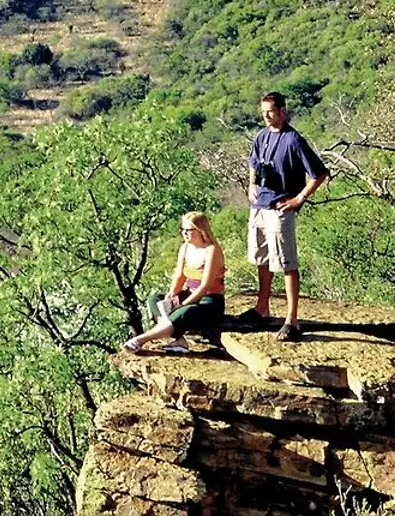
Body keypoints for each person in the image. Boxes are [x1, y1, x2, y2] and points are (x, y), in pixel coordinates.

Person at [240, 91, 329, 342]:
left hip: (281, 207)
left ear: (282, 110)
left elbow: (319, 173)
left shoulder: (294, 140)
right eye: (263, 113)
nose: (267, 117)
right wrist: (251, 185)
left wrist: (299, 199)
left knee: (287, 263)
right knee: (262, 257)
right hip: (260, 204)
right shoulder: (261, 136)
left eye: (270, 111)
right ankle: (262, 307)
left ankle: (292, 319)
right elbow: (254, 162)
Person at [123, 212, 226, 353]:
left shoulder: (211, 250)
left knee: (185, 311)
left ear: (200, 230)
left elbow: (205, 286)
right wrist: (171, 295)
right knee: (154, 300)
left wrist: (184, 304)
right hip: (189, 293)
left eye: (189, 230)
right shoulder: (184, 248)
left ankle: (140, 340)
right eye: (183, 230)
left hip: (209, 301)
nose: (185, 233)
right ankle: (179, 339)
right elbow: (179, 276)